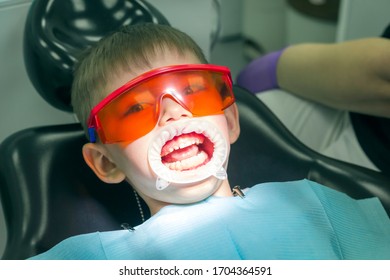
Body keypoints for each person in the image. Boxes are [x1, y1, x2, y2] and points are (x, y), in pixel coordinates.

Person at [29, 23, 390, 260]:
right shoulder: (96, 260)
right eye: (136, 109)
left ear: (230, 119)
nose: (174, 115)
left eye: (191, 93)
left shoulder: (315, 203)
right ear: (106, 162)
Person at [236, 34, 390, 174]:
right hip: (354, 113)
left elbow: (382, 68)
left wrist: (277, 68)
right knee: (243, 134)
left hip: (377, 167)